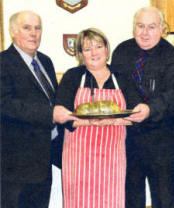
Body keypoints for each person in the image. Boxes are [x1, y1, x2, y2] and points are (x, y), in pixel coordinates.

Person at [53, 28, 143, 208]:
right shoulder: (73, 76)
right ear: (80, 54)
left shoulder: (122, 77)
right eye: (87, 49)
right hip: (78, 158)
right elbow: (59, 113)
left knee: (111, 201)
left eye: (98, 46)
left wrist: (114, 120)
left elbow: (136, 113)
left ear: (107, 50)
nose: (94, 53)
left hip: (113, 157)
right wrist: (88, 122)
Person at [111, 6, 174, 208]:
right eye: (140, 26)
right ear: (133, 28)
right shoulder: (121, 52)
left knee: (164, 197)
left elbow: (171, 97)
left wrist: (149, 109)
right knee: (131, 196)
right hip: (128, 137)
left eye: (151, 27)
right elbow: (116, 88)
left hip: (162, 138)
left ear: (162, 29)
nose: (145, 33)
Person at [1, 10, 63, 208]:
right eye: (26, 28)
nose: (33, 33)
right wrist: (49, 114)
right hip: (15, 166)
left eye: (37, 28)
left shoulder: (45, 61)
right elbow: (5, 105)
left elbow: (55, 100)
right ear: (12, 31)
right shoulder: (3, 62)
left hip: (43, 162)